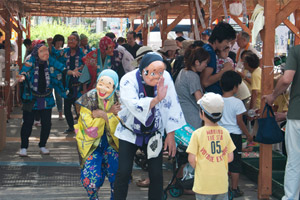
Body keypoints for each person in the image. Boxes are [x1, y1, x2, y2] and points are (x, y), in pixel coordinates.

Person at [114, 52, 186, 199]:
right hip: (130, 132)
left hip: (153, 132)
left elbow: (171, 104)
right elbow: (133, 105)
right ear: (142, 69)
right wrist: (157, 99)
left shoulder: (165, 78)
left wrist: (170, 134)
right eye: (152, 72)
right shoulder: (128, 79)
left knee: (156, 174)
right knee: (123, 172)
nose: (157, 76)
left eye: (160, 72)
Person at [17, 43, 77, 157]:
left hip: (46, 98)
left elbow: (62, 68)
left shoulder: (50, 61)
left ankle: (42, 145)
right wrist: (22, 77)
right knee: (27, 123)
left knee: (46, 124)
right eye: (42, 51)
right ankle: (24, 147)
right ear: (36, 53)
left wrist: (71, 72)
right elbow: (24, 71)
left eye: (46, 50)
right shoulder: (30, 60)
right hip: (31, 98)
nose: (46, 53)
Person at [75, 69, 121, 200]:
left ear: (114, 86)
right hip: (91, 143)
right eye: (101, 83)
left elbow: (123, 124)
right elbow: (87, 124)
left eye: (108, 86)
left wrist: (101, 114)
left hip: (114, 143)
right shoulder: (87, 99)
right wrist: (109, 115)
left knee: (117, 174)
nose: (103, 88)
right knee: (90, 176)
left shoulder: (120, 99)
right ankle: (93, 197)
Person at [263, 44, 300, 200]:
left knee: (294, 161)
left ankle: (290, 197)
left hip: (297, 114)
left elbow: (286, 79)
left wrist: (273, 96)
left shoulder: (297, 50)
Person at [187, 92, 236, 200]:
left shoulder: (197, 134)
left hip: (203, 184)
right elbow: (230, 157)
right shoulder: (225, 133)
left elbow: (191, 159)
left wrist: (201, 167)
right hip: (221, 183)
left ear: (202, 113)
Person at [219, 71, 253, 197]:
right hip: (234, 136)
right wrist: (248, 134)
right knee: (235, 162)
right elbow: (239, 121)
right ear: (235, 87)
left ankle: (221, 186)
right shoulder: (237, 103)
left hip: (220, 134)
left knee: (221, 161)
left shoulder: (218, 101)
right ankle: (234, 188)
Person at [175, 47, 209, 129]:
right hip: (191, 119)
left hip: (182, 117)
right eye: (205, 62)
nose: (206, 65)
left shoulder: (183, 71)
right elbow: (200, 101)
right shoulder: (193, 76)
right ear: (197, 62)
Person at [200, 22, 236, 95]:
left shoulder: (208, 49)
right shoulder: (210, 53)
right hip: (212, 97)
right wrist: (225, 70)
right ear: (218, 39)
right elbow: (205, 82)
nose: (227, 45)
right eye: (226, 41)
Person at [47, 34, 65, 120]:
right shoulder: (50, 49)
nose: (59, 42)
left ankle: (60, 113)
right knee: (47, 94)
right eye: (58, 41)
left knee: (59, 95)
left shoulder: (64, 51)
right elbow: (50, 53)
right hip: (50, 75)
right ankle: (47, 112)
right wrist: (49, 45)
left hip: (59, 76)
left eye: (61, 41)